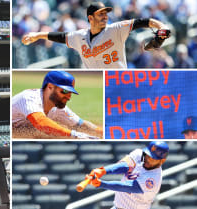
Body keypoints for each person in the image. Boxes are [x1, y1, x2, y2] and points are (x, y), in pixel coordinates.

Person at [21, 2, 170, 68]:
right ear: (90, 18)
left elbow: (143, 21)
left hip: (118, 80)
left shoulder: (115, 29)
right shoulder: (79, 36)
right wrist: (38, 34)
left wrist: (161, 26)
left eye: (106, 14)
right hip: (100, 83)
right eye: (100, 14)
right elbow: (60, 36)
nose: (105, 17)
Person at [12, 71, 102, 139]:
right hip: (5, 133)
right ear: (50, 87)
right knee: (47, 133)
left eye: (71, 92)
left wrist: (105, 133)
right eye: (65, 91)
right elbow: (41, 123)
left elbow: (81, 126)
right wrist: (74, 135)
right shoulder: (30, 97)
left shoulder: (58, 107)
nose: (69, 97)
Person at [86, 141, 169, 209]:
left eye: (152, 159)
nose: (147, 159)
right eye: (148, 155)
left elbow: (127, 186)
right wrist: (103, 170)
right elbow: (124, 166)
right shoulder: (139, 154)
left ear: (162, 161)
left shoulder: (154, 178)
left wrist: (101, 184)